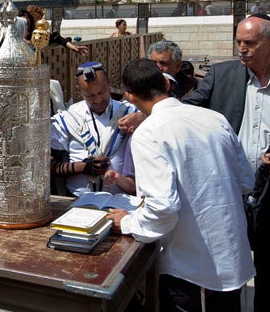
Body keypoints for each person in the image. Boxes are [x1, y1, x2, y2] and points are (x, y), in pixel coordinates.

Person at [183, 12, 270, 312]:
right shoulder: (221, 76)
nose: (242, 49)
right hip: (227, 194)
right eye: (238, 42)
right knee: (224, 274)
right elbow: (187, 112)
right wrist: (150, 113)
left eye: (249, 42)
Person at [108, 59, 255, 312]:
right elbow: (246, 181)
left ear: (130, 96)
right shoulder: (215, 118)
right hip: (228, 249)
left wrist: (128, 222)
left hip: (184, 260)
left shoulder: (148, 132)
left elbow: (162, 207)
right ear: (165, 82)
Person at [50, 61, 137, 196]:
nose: (97, 100)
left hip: (121, 200)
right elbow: (51, 166)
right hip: (78, 200)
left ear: (109, 83)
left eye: (101, 92)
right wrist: (83, 167)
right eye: (90, 96)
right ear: (79, 91)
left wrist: (141, 117)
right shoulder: (68, 118)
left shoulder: (129, 113)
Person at [24, 4, 89, 55]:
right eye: (36, 20)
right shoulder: (23, 29)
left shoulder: (41, 33)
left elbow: (57, 37)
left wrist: (73, 47)